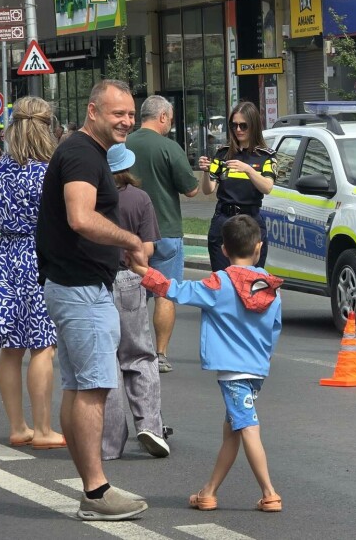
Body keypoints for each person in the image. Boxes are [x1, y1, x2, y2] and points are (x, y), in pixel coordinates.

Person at [35, 79, 149, 521]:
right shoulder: (82, 153)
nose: (126, 121)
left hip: (77, 284)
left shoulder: (86, 151)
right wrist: (130, 240)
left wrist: (123, 250)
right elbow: (80, 218)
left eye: (130, 114)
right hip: (80, 289)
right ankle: (97, 492)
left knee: (80, 385)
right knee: (93, 387)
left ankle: (93, 487)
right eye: (117, 113)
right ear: (93, 111)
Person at [130, 214, 283, 513]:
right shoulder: (270, 286)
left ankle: (270, 493)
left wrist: (143, 271)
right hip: (257, 368)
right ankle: (208, 492)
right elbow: (275, 327)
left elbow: (175, 290)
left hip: (233, 372)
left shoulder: (218, 283)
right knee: (233, 431)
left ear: (223, 249)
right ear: (259, 247)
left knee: (247, 427)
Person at [0, 97, 66, 451]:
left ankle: (18, 426)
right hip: (41, 257)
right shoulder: (52, 170)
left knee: (10, 348)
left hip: (5, 257)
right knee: (43, 345)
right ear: (48, 126)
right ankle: (44, 428)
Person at [100, 143, 169, 460]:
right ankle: (150, 427)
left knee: (106, 361)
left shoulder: (91, 199)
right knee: (140, 355)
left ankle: (110, 443)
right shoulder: (139, 199)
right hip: (129, 279)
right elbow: (148, 251)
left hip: (95, 281)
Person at [126, 95, 200, 374]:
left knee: (129, 295)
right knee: (164, 294)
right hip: (166, 231)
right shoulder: (169, 147)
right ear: (162, 117)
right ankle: (161, 354)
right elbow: (191, 189)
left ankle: (130, 350)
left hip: (130, 235)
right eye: (169, 117)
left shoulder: (123, 144)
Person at [197, 100, 277, 272]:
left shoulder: (265, 156)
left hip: (251, 220)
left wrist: (248, 170)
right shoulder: (223, 153)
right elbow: (208, 189)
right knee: (222, 279)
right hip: (224, 219)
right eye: (234, 126)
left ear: (253, 126)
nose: (238, 130)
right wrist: (205, 171)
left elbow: (267, 187)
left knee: (251, 281)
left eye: (243, 126)